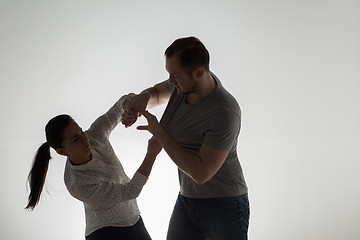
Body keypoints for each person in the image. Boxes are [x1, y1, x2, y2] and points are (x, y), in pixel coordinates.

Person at [121, 36, 250, 240]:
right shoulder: (183, 86)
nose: (171, 81)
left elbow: (200, 173)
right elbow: (156, 92)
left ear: (199, 73)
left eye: (175, 75)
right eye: (169, 74)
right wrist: (142, 99)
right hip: (187, 199)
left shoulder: (224, 111)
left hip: (225, 204)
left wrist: (161, 134)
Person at [25, 95, 161, 240]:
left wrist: (130, 106)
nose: (84, 139)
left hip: (134, 220)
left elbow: (117, 108)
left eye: (81, 132)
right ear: (62, 151)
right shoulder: (77, 184)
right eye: (75, 139)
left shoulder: (95, 135)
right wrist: (151, 153)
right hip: (106, 233)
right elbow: (130, 191)